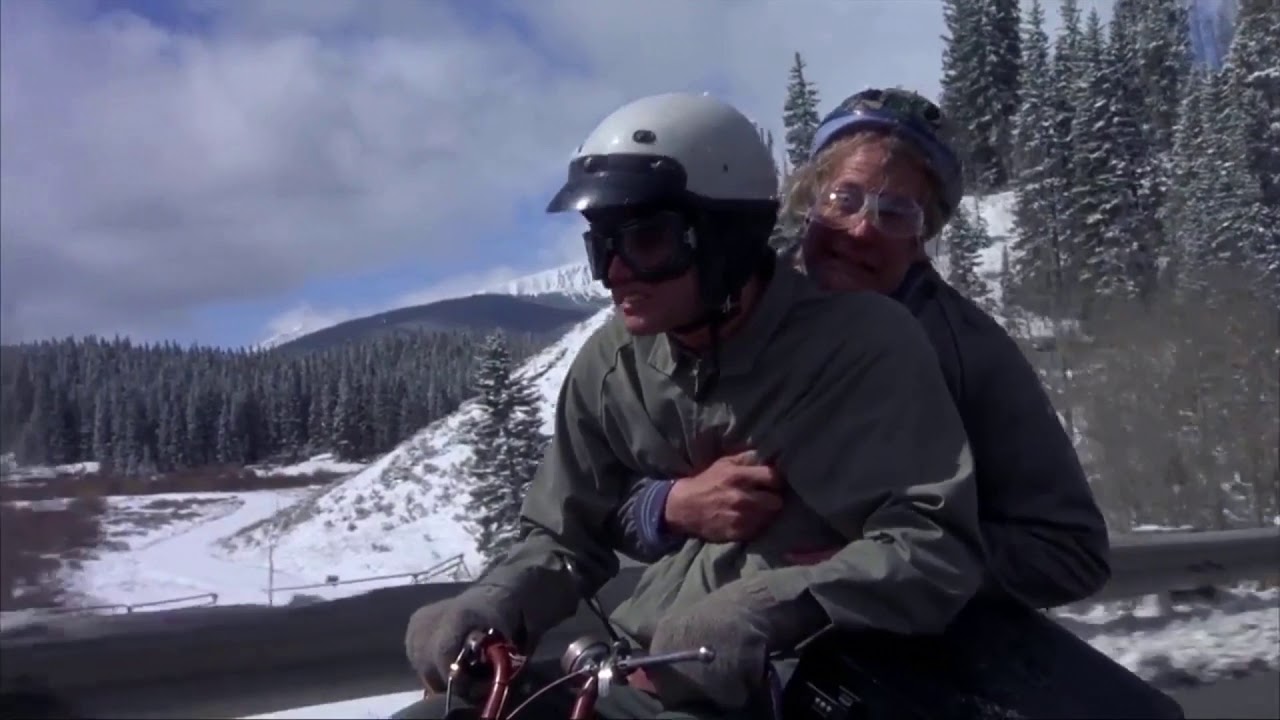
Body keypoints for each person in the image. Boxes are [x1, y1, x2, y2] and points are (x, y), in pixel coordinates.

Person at [393, 91, 986, 720]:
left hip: (779, 684)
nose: (615, 273)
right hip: (633, 670)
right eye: (602, 245)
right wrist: (495, 601)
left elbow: (935, 545)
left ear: (728, 237)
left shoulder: (866, 345)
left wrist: (774, 606)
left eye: (646, 242)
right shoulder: (612, 365)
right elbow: (564, 534)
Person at [614, 87, 1111, 612]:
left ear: (922, 240)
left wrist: (887, 569)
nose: (861, 230)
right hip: (707, 636)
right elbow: (597, 491)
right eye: (844, 199)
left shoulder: (970, 354)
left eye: (896, 213)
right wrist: (668, 506)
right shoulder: (730, 309)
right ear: (810, 202)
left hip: (886, 648)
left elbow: (1071, 552)